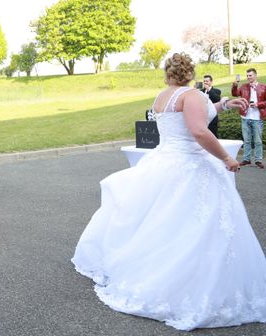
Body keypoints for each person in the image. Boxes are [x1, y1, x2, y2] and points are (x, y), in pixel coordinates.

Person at [72, 53, 266, 331]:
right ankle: (190, 281)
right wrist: (226, 158)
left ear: (168, 73)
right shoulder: (193, 95)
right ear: (191, 72)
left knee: (163, 223)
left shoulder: (163, 96)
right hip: (190, 166)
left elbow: (194, 115)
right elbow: (199, 130)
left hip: (164, 161)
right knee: (197, 225)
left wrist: (224, 103)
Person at [232, 68, 266, 168]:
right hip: (245, 116)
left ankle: (258, 160)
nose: (248, 77)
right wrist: (235, 84)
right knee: (246, 140)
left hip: (258, 118)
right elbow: (235, 94)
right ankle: (246, 159)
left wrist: (258, 104)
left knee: (258, 141)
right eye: (247, 76)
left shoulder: (263, 87)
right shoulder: (243, 86)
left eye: (250, 75)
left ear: (255, 75)